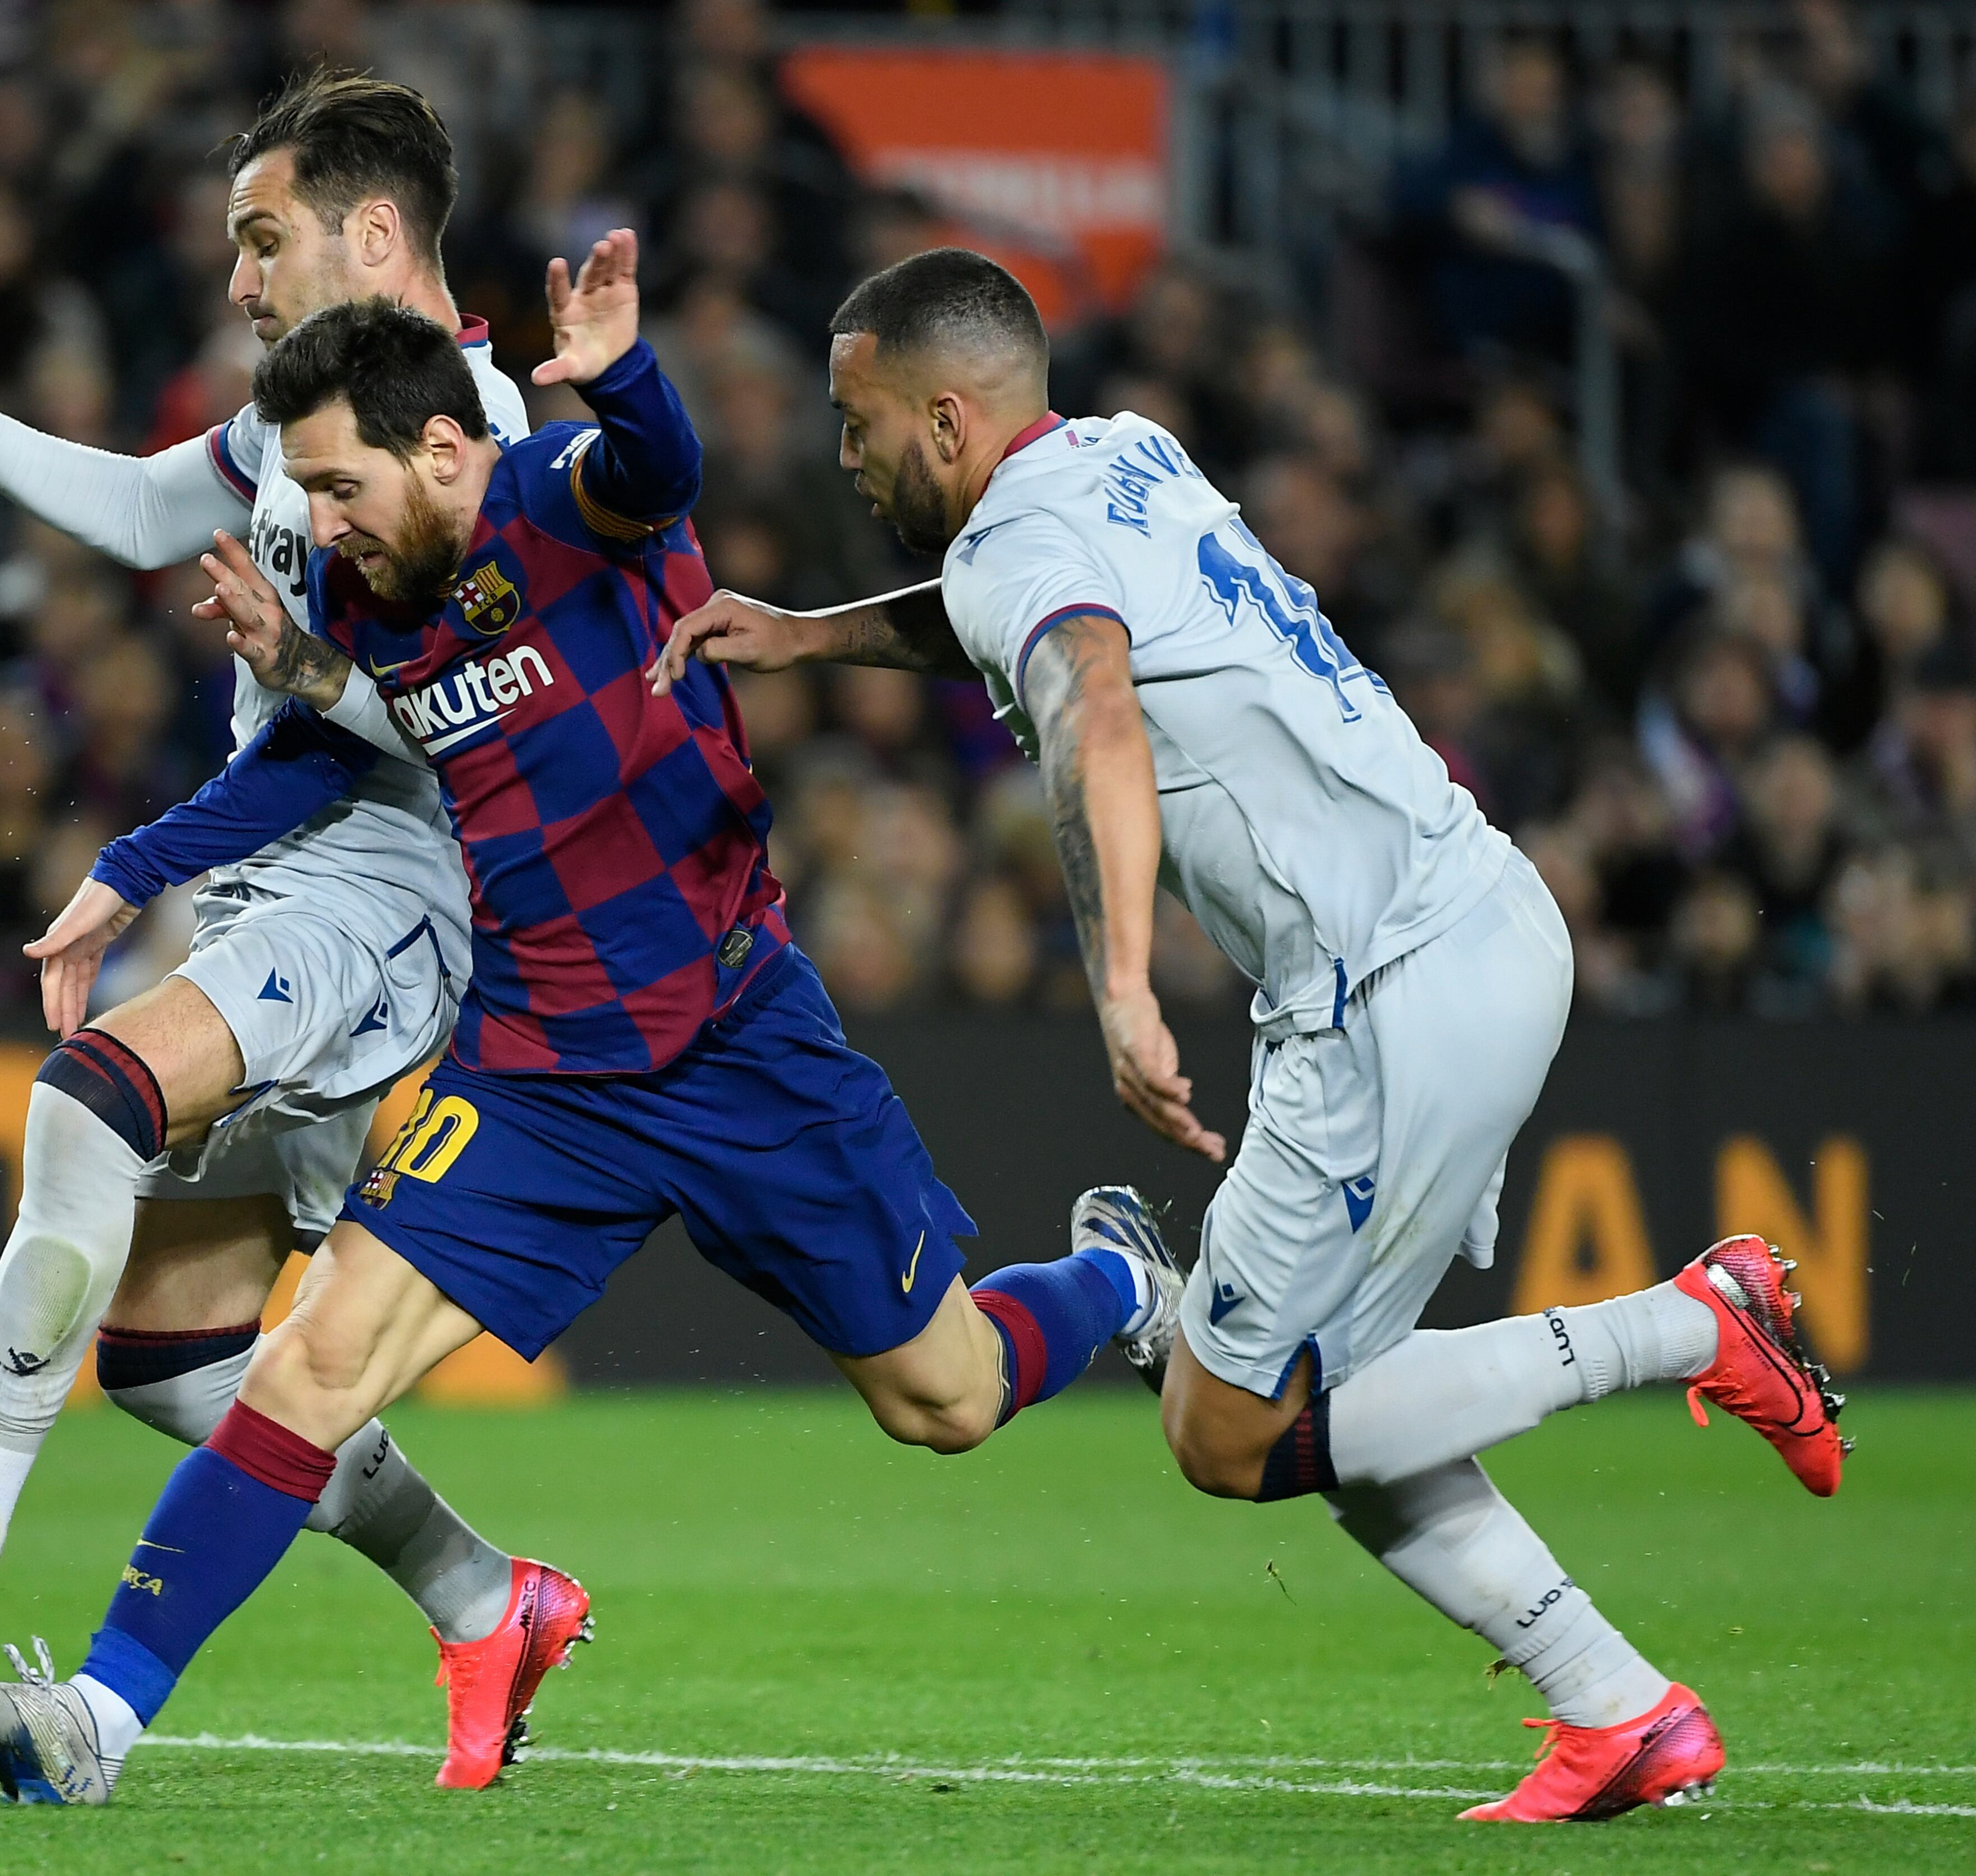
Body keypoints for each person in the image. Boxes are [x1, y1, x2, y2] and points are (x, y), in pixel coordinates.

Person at [0, 241, 1182, 1808]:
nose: (321, 525)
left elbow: (663, 464)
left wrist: (625, 369)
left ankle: (1115, 1276)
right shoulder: (368, 596)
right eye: (301, 492)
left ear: (445, 450)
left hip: (735, 1041)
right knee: (311, 1370)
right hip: (538, 1068)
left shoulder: (565, 492)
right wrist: (131, 868)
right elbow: (305, 762)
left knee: (949, 1400)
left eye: (340, 486)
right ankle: (95, 1721)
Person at [652, 248, 1851, 1824]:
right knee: (1306, 1405)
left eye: (857, 420)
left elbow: (1087, 697)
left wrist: (1123, 976)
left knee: (1227, 1432)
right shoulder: (1121, 453)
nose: (844, 453)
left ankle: (1703, 1325)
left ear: (946, 419)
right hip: (1464, 923)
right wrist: (813, 637)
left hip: (1390, 990)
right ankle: (1618, 1711)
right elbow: (1013, 617)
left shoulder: (1022, 551)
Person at [0, 71, 567, 1790]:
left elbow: (493, 724)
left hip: (393, 894)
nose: (238, 278)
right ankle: (485, 1596)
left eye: (265, 237)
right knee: (178, 1366)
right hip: (281, 881)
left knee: (88, 1095)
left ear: (371, 234)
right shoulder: (303, 423)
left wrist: (252, 738)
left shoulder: (483, 442)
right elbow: (155, 508)